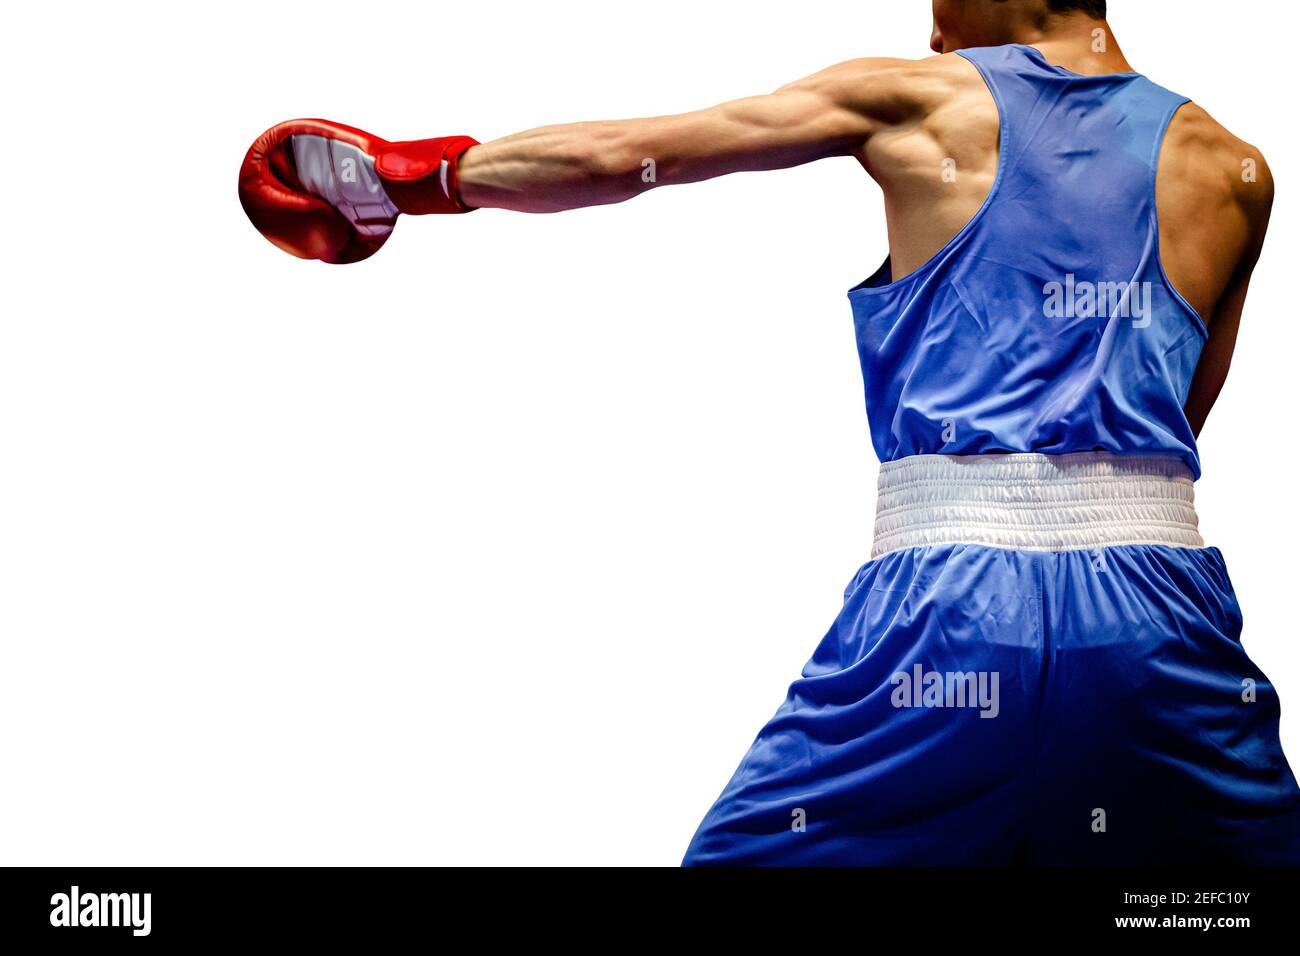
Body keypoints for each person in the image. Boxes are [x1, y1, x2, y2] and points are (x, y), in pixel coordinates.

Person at [238, 0, 1300, 864]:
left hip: (946, 616)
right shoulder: (1235, 169)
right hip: (1158, 622)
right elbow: (1170, 426)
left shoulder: (920, 96)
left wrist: (412, 177)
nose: (931, 26)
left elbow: (630, 151)